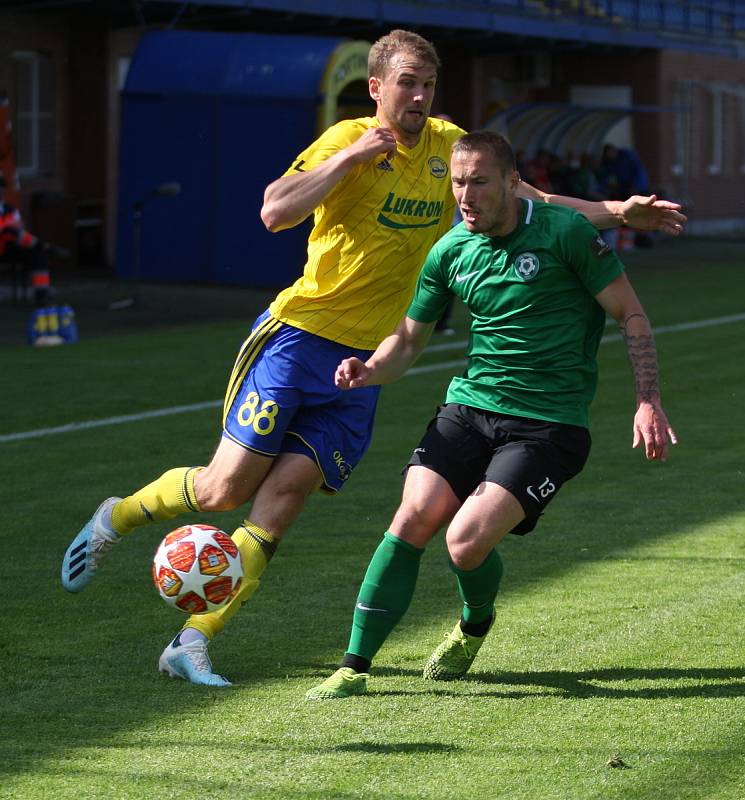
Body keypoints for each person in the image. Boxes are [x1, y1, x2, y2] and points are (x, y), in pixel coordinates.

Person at [60, 30, 685, 688]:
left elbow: (527, 199)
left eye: (428, 84)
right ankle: (118, 515)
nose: (419, 96)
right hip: (298, 338)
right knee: (225, 490)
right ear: (376, 88)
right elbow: (274, 210)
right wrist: (353, 156)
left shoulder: (448, 146)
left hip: (366, 361)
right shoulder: (345, 141)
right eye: (407, 83)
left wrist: (614, 211)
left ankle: (195, 638)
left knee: (286, 495)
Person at [306, 131, 677, 700]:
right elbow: (408, 340)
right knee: (412, 517)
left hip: (549, 425)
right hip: (471, 407)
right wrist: (368, 368)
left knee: (464, 542)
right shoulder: (450, 251)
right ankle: (354, 666)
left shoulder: (566, 233)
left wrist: (646, 399)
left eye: (479, 181)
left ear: (512, 182)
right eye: (458, 182)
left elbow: (631, 314)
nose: (466, 194)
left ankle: (474, 624)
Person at [0, 174, 51, 305]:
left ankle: (41, 295)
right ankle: (42, 245)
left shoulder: (10, 209)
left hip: (12, 247)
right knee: (12, 231)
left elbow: (19, 227)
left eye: (2, 188)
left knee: (38, 254)